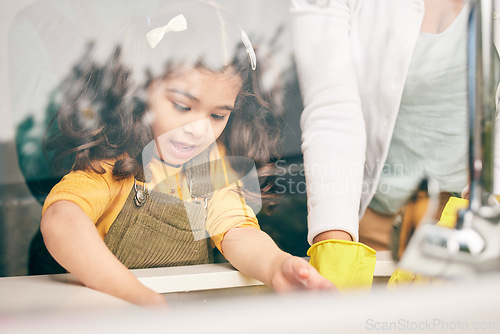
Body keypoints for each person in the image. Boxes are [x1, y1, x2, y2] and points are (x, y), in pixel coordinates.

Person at [32, 0, 334, 306]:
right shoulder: (115, 162)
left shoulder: (212, 167)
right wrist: (136, 296)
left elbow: (237, 232)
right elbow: (62, 219)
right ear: (141, 90)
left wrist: (275, 266)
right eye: (182, 106)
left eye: (217, 116)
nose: (198, 130)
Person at [291, 0, 500, 288]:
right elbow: (331, 112)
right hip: (371, 223)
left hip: (474, 221)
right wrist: (335, 248)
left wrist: (477, 223)